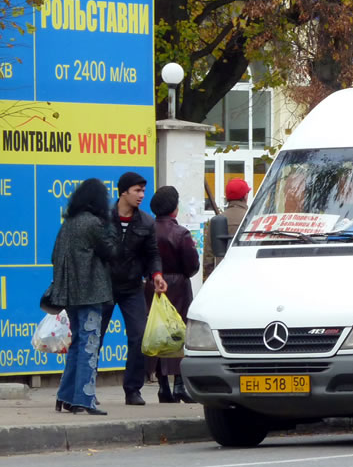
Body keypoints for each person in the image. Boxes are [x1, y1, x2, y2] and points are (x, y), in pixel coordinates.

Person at [48, 178, 120, 415]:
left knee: (78, 344)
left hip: (69, 294)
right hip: (91, 292)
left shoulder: (67, 224)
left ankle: (65, 396)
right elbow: (111, 251)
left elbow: (53, 256)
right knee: (90, 345)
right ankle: (84, 399)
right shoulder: (93, 224)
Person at [101, 171, 167, 406]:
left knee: (139, 336)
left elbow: (152, 254)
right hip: (103, 286)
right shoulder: (103, 218)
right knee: (94, 337)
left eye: (143, 191)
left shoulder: (146, 222)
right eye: (137, 191)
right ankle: (86, 388)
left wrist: (156, 275)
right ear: (123, 192)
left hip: (132, 287)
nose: (141, 195)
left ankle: (133, 390)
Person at [146, 186, 200, 403]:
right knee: (178, 332)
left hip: (152, 286)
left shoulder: (146, 229)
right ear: (174, 208)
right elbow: (192, 264)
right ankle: (179, 384)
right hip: (177, 286)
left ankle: (162, 386)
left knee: (158, 332)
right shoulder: (181, 233)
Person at [202, 178, 250, 280]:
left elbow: (208, 257)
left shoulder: (215, 221)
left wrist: (209, 278)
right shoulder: (252, 219)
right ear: (245, 196)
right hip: (247, 275)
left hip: (222, 276)